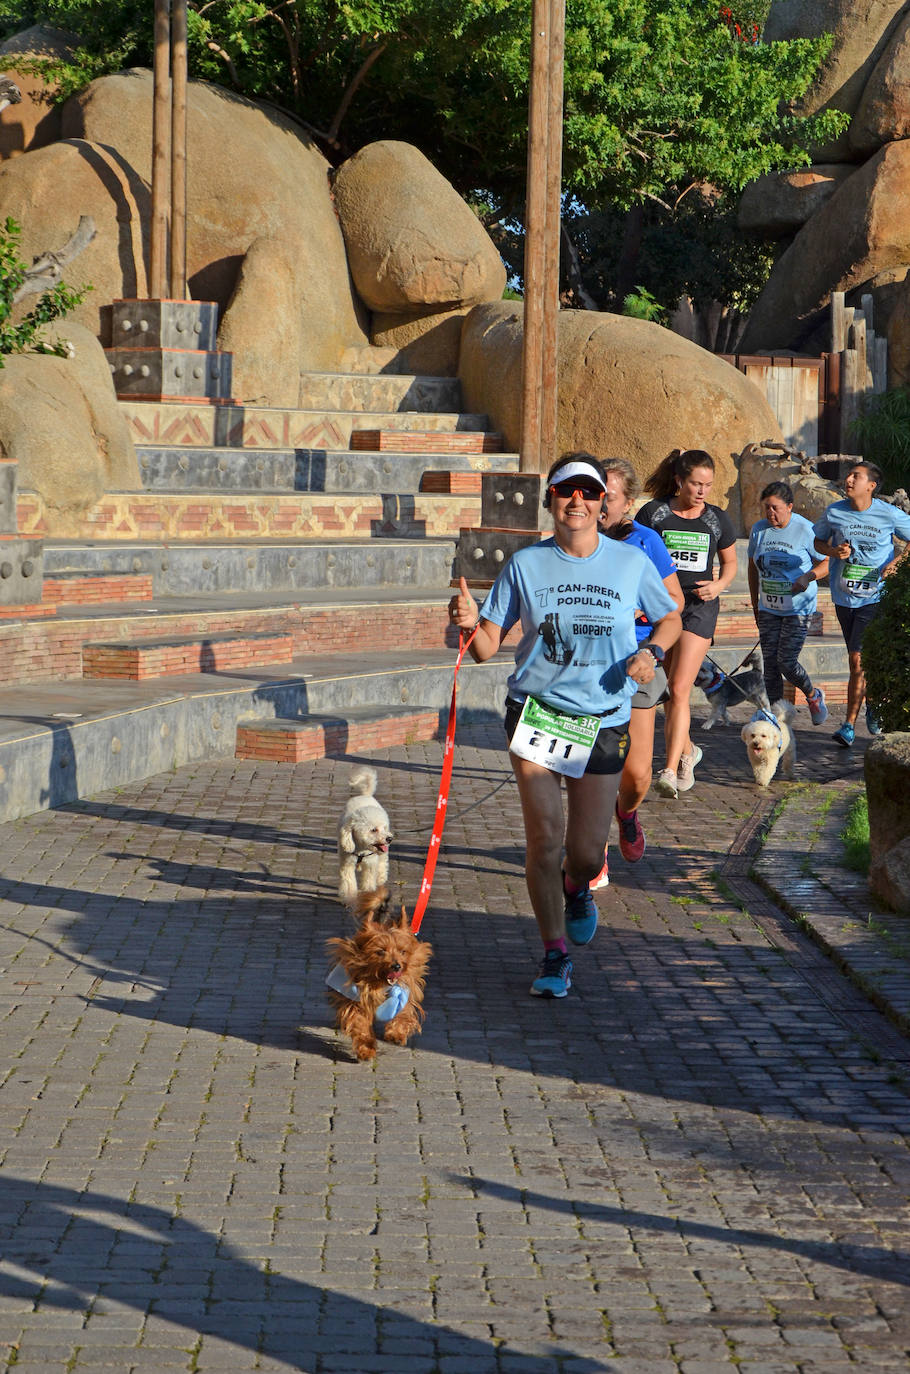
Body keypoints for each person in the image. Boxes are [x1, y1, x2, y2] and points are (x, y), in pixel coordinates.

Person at [447, 452, 681, 999]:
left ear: (603, 504)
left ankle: (578, 888)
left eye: (588, 492)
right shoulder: (527, 565)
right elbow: (485, 647)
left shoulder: (628, 561)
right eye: (565, 492)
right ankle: (554, 954)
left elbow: (670, 616)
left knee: (583, 852)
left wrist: (651, 651)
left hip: (602, 722)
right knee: (544, 839)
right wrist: (465, 621)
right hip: (535, 715)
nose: (577, 501)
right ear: (551, 501)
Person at [591, 457, 684, 878]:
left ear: (628, 503)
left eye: (608, 497)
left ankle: (626, 814)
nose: (599, 504)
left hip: (639, 661)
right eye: (595, 494)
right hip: (587, 664)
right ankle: (592, 853)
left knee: (638, 774)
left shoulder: (646, 542)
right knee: (591, 767)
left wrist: (648, 641)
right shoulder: (575, 539)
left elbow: (675, 605)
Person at [636, 449, 737, 799]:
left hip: (699, 607)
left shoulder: (717, 519)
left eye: (708, 485)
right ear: (680, 480)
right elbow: (635, 557)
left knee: (680, 689)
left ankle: (668, 769)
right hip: (662, 607)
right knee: (668, 692)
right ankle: (689, 750)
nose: (702, 491)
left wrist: (719, 585)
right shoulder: (653, 513)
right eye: (696, 483)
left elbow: (731, 564)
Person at [813, 461, 910, 747]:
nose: (849, 479)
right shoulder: (834, 512)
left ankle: (848, 726)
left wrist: (897, 562)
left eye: (857, 476)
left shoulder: (888, 514)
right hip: (843, 597)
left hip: (875, 597)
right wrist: (833, 550)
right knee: (860, 661)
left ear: (871, 486)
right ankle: (874, 703)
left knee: (856, 660)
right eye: (849, 475)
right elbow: (818, 542)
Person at [747, 481, 829, 724]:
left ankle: (813, 696)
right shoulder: (758, 530)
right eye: (766, 508)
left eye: (775, 508)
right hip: (769, 608)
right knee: (770, 665)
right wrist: (755, 604)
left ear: (790, 506)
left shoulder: (806, 529)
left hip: (798, 608)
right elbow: (753, 568)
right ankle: (774, 716)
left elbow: (827, 562)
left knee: (786, 662)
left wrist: (807, 577)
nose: (770, 514)